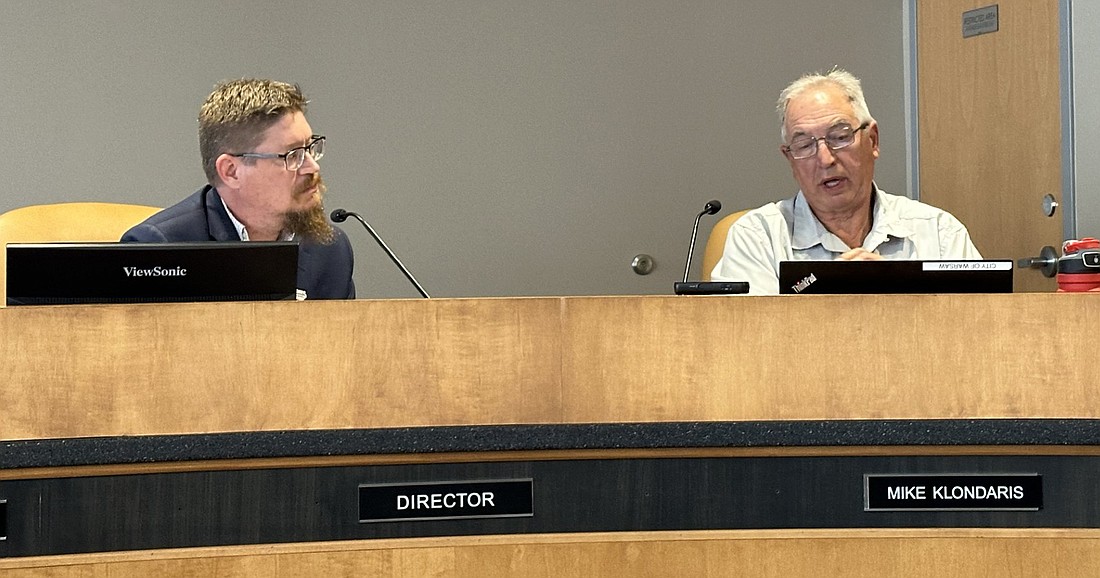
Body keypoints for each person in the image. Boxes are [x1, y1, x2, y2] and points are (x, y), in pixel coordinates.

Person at [710, 68, 981, 295]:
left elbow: (984, 332)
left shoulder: (939, 233)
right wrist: (831, 293)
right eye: (804, 145)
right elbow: (747, 343)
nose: (825, 159)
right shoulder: (758, 237)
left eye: (840, 137)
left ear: (872, 140)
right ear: (790, 159)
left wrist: (898, 296)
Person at [122, 78, 355, 299]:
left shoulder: (329, 249)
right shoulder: (159, 251)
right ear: (231, 171)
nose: (312, 166)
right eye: (293, 155)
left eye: (310, 147)